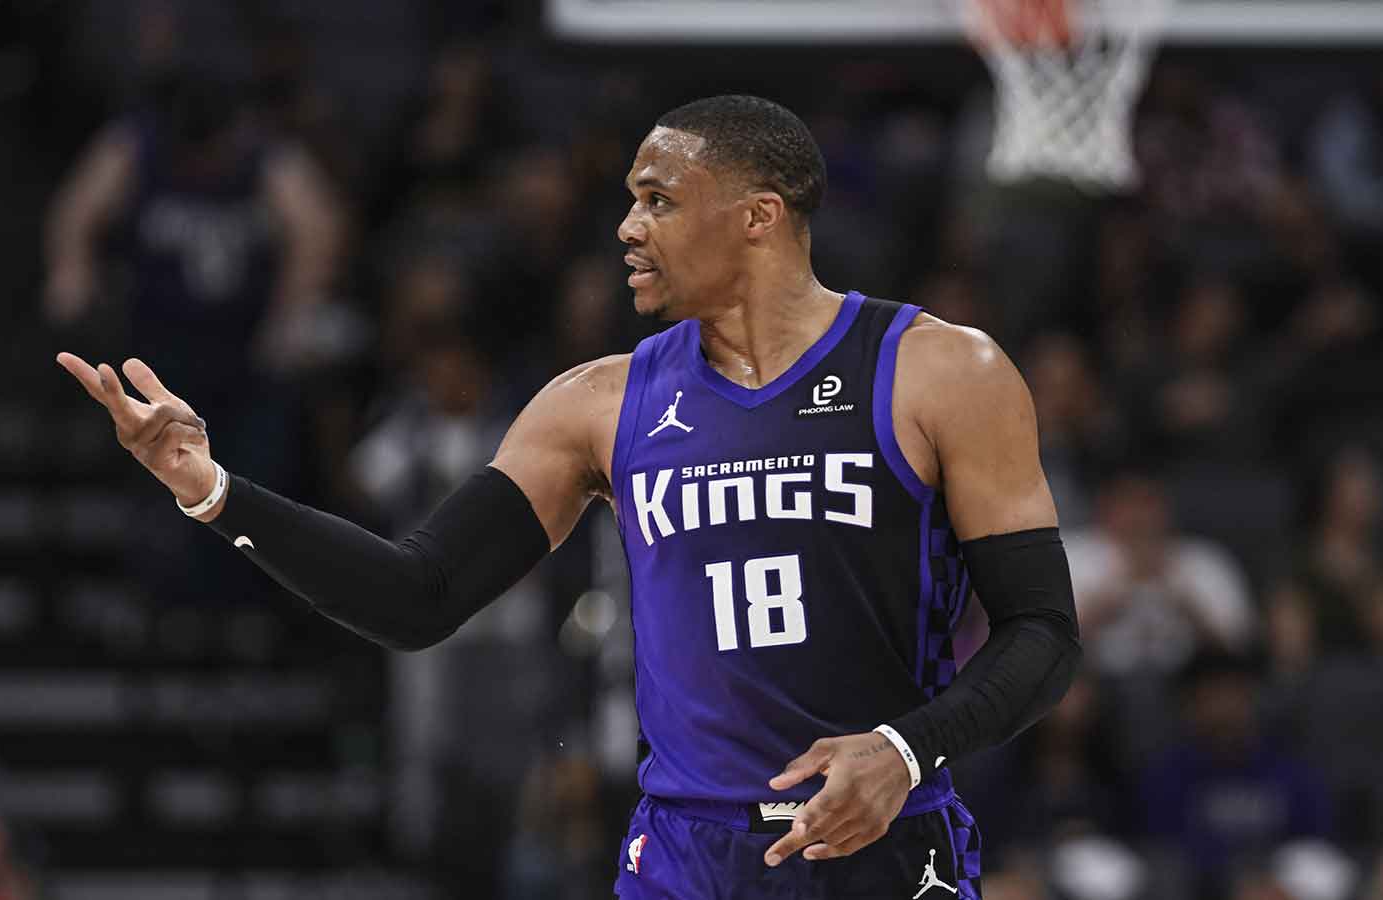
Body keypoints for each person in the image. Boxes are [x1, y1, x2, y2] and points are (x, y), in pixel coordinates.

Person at [57, 95, 1080, 899]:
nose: (628, 227)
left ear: (760, 215)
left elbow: (1042, 632)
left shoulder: (939, 371)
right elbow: (418, 595)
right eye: (631, 201)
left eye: (659, 199)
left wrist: (907, 750)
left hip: (886, 840)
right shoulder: (597, 402)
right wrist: (214, 492)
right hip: (688, 857)